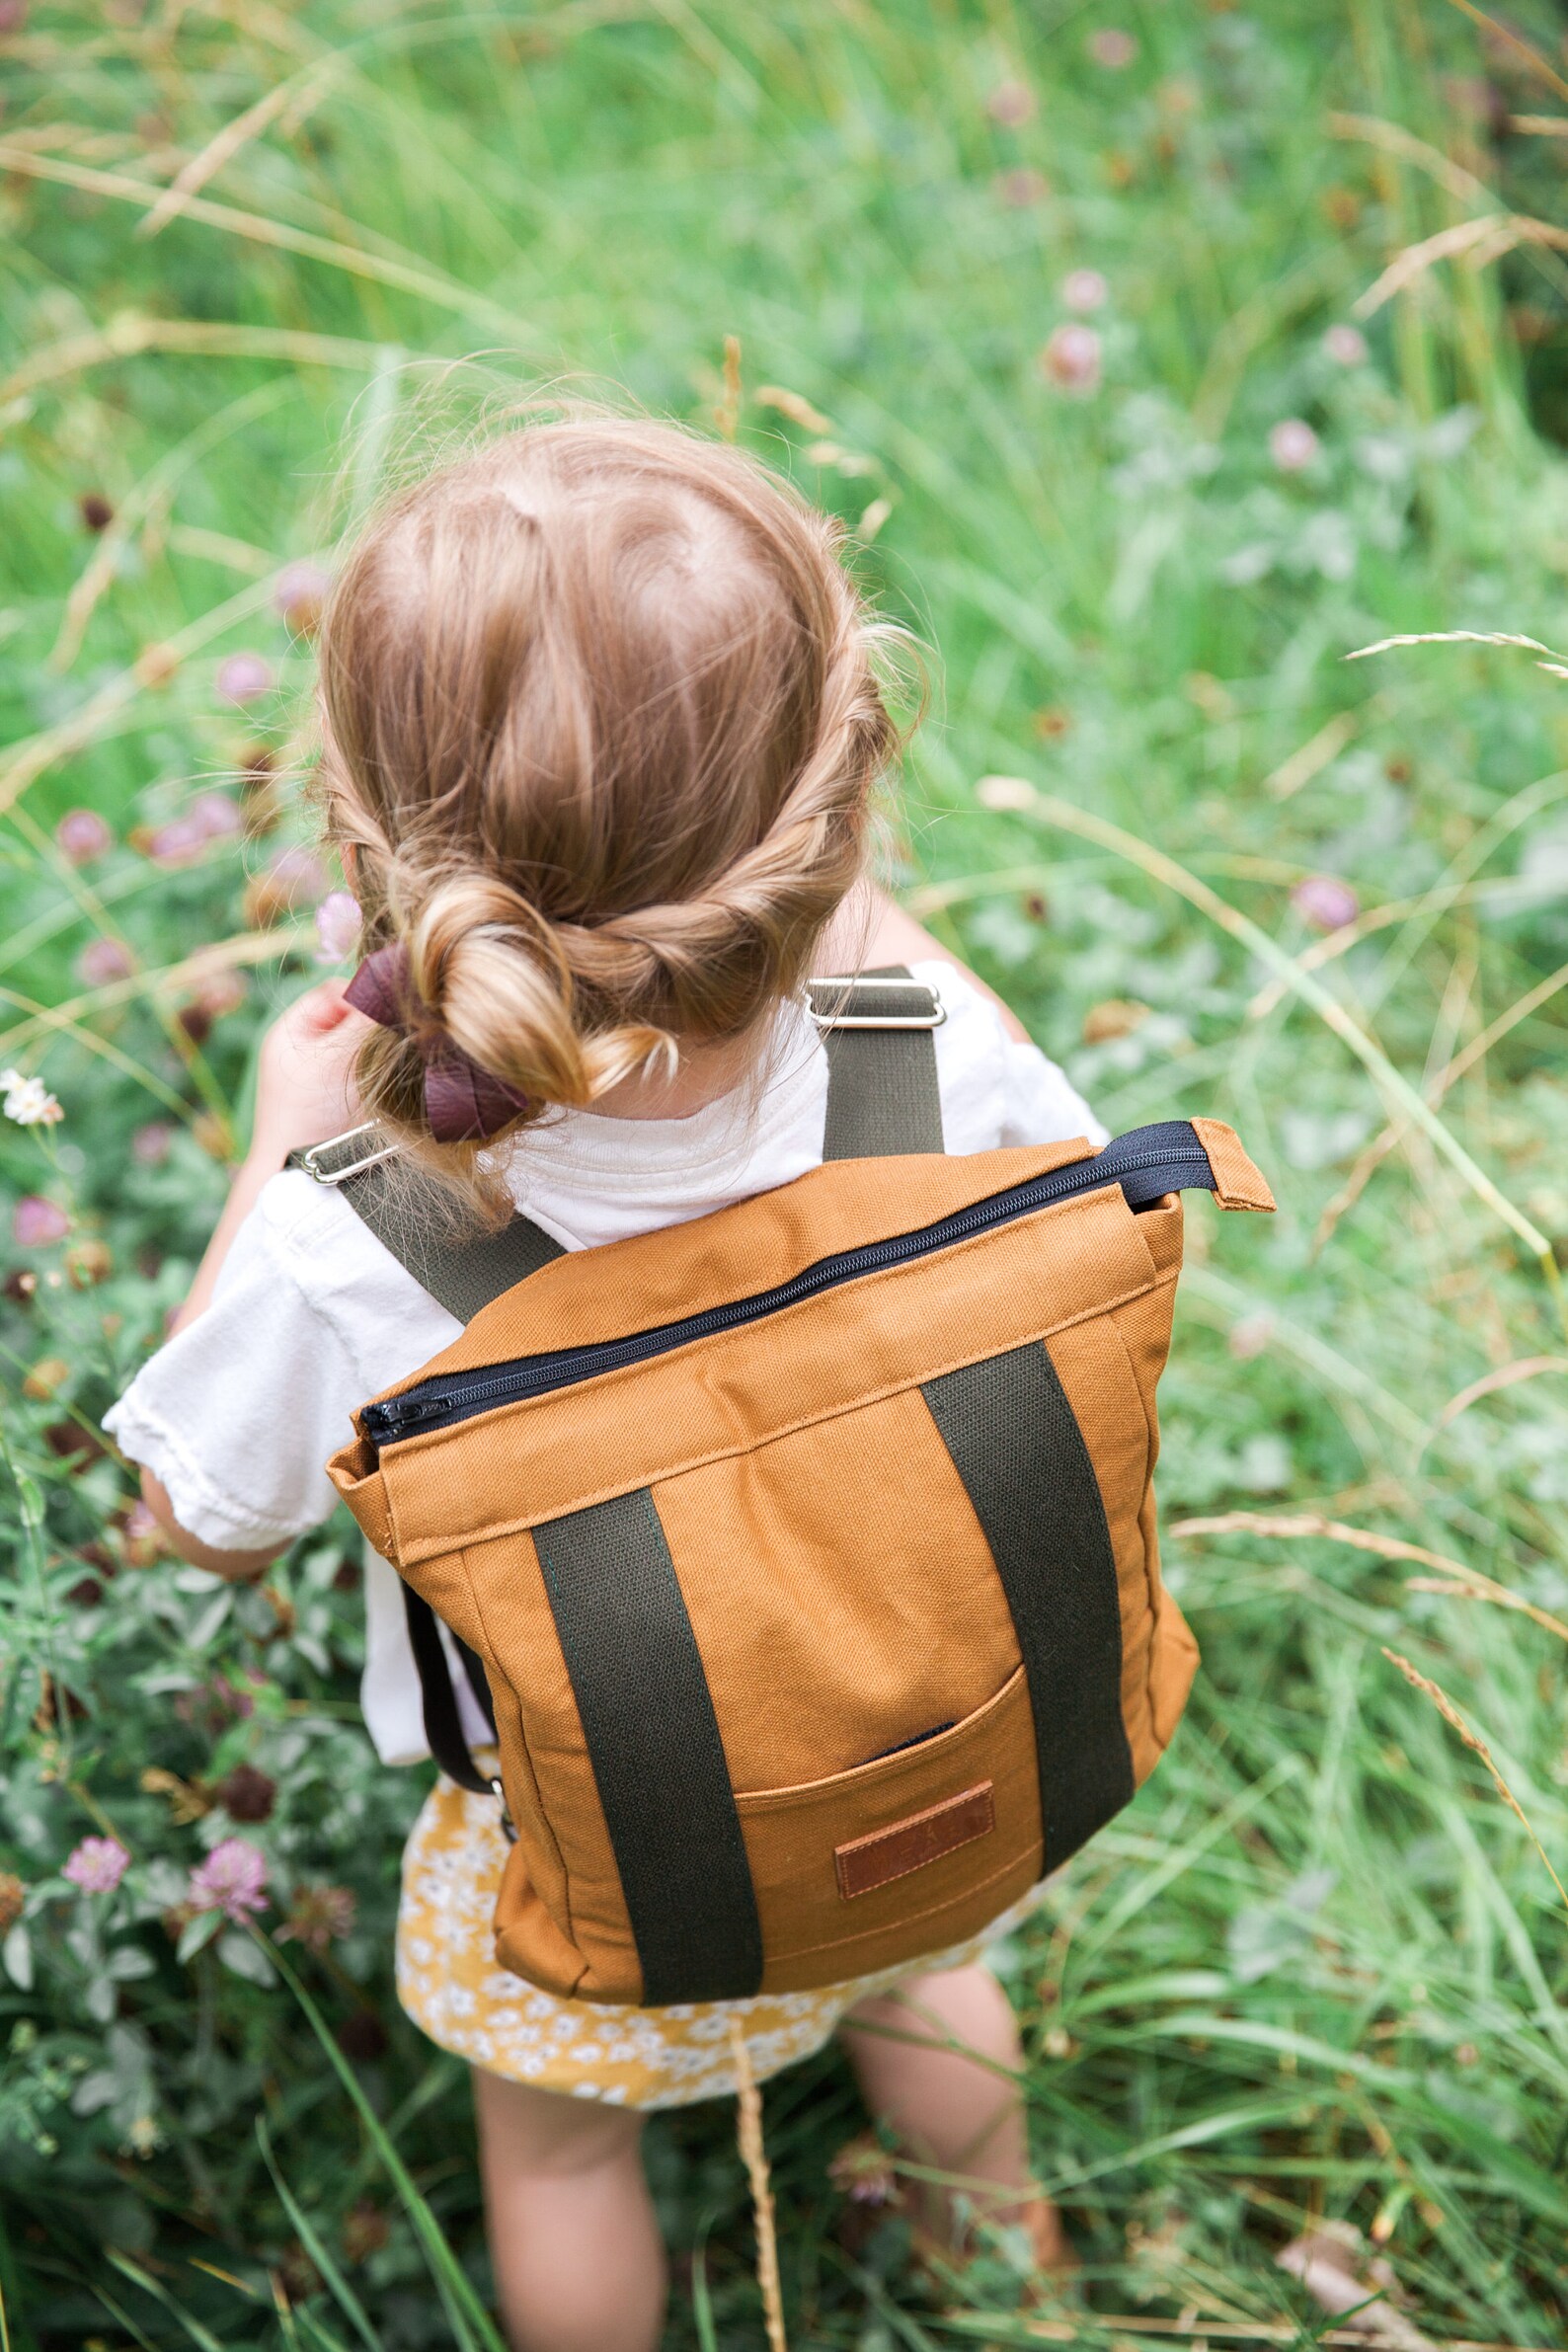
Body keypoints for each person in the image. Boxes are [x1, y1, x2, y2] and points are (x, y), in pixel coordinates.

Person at [106, 416, 1104, 2352]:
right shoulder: (928, 1048)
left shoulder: (372, 1220)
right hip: (924, 1745)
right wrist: (851, 922)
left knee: (562, 2154)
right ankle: (1023, 2293)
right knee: (928, 2001)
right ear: (835, 814)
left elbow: (189, 1532)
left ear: (361, 843)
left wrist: (274, 1151)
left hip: (588, 1852)